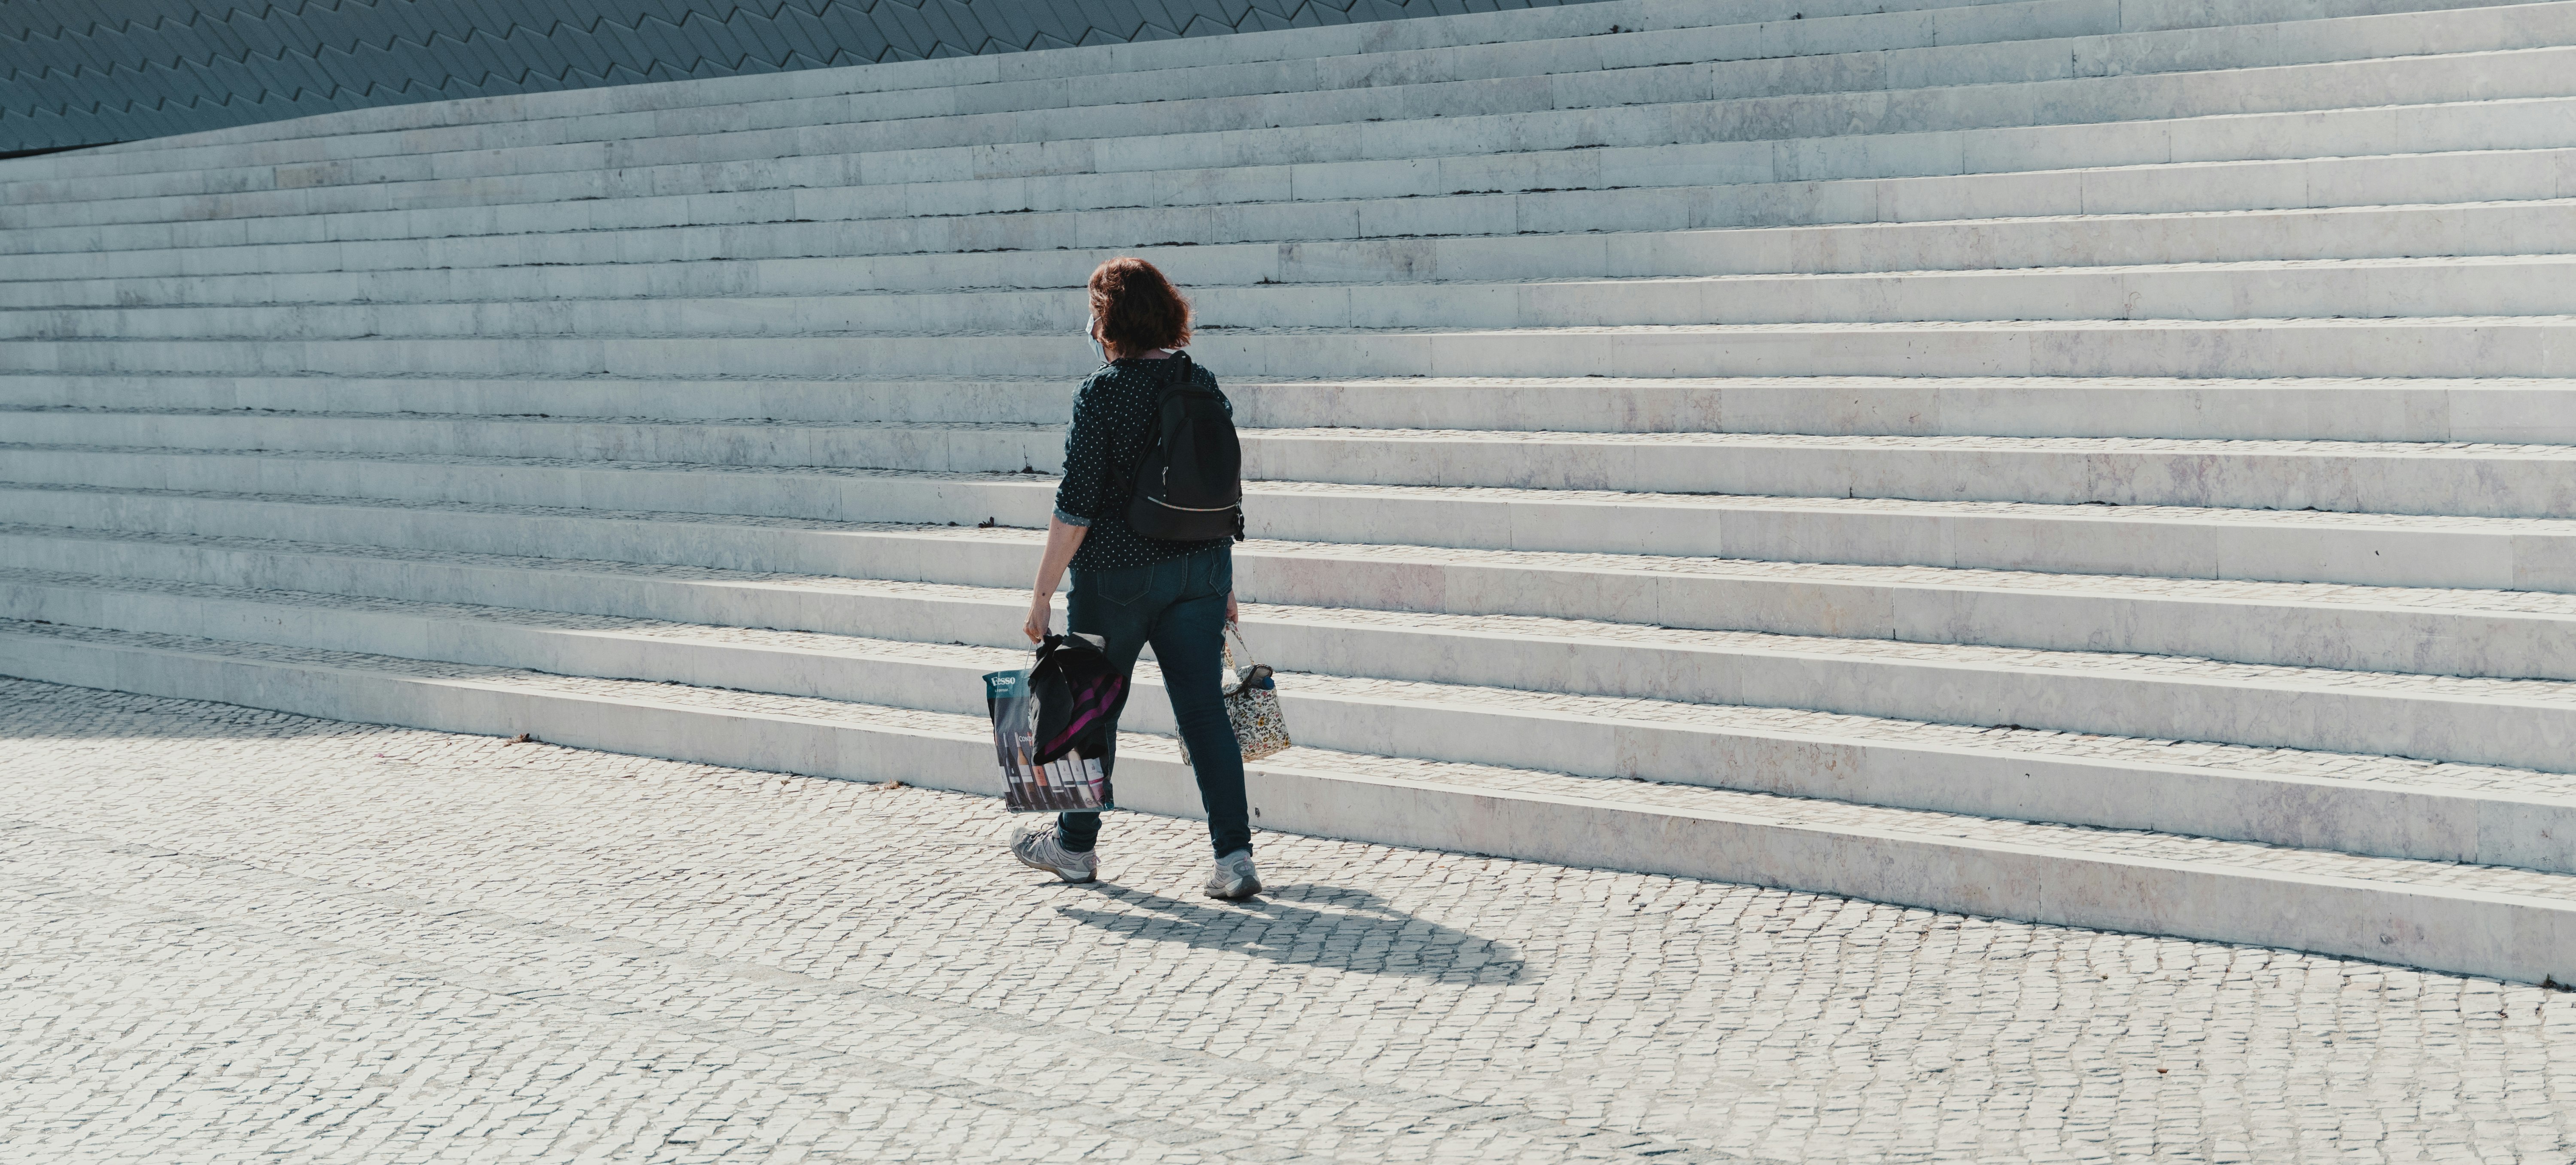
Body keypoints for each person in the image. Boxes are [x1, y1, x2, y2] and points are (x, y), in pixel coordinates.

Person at [1008, 257, 1259, 901]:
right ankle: (1235, 859)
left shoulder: (1103, 392)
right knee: (1205, 714)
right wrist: (1222, 580)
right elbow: (1220, 489)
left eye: (1095, 316)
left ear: (1110, 321)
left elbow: (1077, 505)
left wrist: (1040, 595)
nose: (1092, 329)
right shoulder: (1201, 381)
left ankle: (1074, 846)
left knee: (1092, 710)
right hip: (1199, 573)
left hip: (1117, 577)